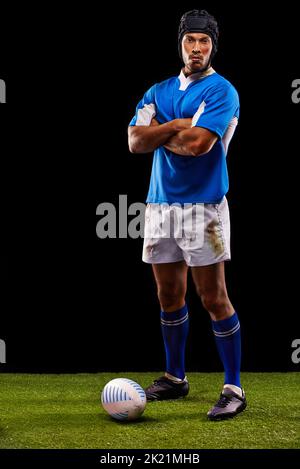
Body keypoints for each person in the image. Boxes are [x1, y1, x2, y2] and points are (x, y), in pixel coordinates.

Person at [128, 9, 246, 420]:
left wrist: (163, 131)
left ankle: (233, 387)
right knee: (168, 296)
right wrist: (175, 125)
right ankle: (175, 377)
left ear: (214, 45)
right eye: (190, 40)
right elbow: (134, 141)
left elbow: (199, 145)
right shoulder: (157, 90)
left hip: (204, 208)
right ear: (180, 43)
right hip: (161, 205)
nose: (197, 48)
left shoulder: (222, 92)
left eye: (205, 41)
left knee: (213, 297)